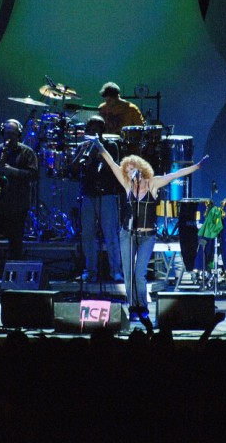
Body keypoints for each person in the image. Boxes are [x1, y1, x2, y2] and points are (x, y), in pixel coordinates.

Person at [89, 134, 208, 320]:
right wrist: (98, 145)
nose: (129, 173)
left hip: (147, 236)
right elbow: (112, 163)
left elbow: (175, 174)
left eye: (132, 169)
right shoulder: (128, 186)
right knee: (128, 275)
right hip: (127, 234)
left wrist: (197, 166)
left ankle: (142, 307)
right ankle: (133, 309)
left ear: (140, 168)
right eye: (127, 171)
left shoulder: (153, 184)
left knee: (139, 274)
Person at [0, 119, 39, 280]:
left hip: (17, 204)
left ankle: (14, 276)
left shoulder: (27, 152)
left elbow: (33, 175)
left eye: (12, 134)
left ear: (18, 134)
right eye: (6, 134)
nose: (9, 137)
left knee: (15, 243)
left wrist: (12, 171)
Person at [70, 116, 123, 284]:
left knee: (110, 234)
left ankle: (116, 271)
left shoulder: (110, 146)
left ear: (102, 130)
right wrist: (82, 153)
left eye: (96, 129)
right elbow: (73, 169)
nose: (93, 133)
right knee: (87, 235)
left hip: (106, 193)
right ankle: (90, 271)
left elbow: (115, 169)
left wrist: (100, 154)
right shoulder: (82, 147)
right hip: (88, 193)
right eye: (90, 130)